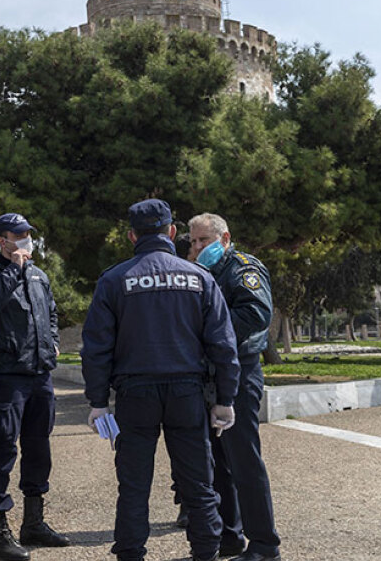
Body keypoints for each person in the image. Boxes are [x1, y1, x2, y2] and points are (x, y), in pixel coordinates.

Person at [82, 199, 241, 561]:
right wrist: (225, 399)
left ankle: (131, 553)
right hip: (187, 392)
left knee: (134, 486)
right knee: (199, 484)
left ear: (132, 235)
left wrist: (96, 401)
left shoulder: (114, 279)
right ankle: (205, 553)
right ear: (171, 232)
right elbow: (222, 343)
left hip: (134, 394)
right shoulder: (200, 278)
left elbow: (96, 348)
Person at [0, 212, 70, 561]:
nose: (27, 239)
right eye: (19, 234)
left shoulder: (39, 276)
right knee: (0, 452)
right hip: (7, 378)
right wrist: (13, 268)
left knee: (39, 449)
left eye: (29, 233)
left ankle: (34, 523)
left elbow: (52, 313)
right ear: (2, 239)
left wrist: (53, 340)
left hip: (40, 375)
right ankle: (0, 533)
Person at [187, 212, 281, 561]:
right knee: (217, 462)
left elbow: (257, 313)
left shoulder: (243, 267)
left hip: (240, 372)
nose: (197, 248)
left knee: (244, 460)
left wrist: (212, 329)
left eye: (204, 241)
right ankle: (230, 536)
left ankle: (264, 545)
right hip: (210, 375)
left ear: (225, 239)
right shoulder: (203, 271)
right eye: (193, 242)